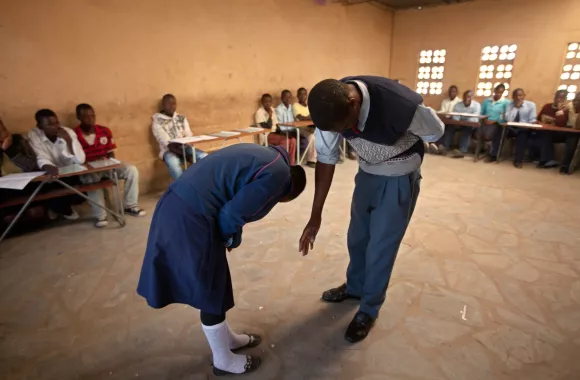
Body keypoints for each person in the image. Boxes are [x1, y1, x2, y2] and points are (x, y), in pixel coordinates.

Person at [137, 144, 307, 376]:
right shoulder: (278, 178)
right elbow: (233, 214)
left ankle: (227, 339)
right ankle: (223, 360)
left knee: (216, 282)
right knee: (212, 290)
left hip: (180, 203)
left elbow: (234, 201)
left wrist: (229, 235)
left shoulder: (271, 157)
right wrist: (228, 239)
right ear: (287, 194)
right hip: (191, 215)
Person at [299, 76, 444, 343]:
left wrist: (403, 131)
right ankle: (354, 288)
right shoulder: (332, 108)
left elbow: (436, 131)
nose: (347, 132)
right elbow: (327, 159)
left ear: (354, 104)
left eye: (345, 126)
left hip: (399, 177)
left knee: (381, 246)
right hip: (367, 174)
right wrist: (315, 214)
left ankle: (368, 308)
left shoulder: (401, 106)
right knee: (358, 238)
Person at [74, 104, 146, 227]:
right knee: (92, 179)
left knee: (131, 170)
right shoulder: (74, 134)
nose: (90, 119)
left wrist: (111, 163)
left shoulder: (104, 131)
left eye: (92, 116)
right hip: (88, 169)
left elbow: (110, 152)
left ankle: (130, 205)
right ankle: (101, 216)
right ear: (78, 117)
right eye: (86, 117)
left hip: (106, 166)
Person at [27, 109, 90, 220]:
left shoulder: (68, 132)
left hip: (71, 174)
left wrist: (68, 140)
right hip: (52, 175)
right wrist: (48, 166)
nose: (55, 127)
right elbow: (41, 156)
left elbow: (81, 160)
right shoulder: (34, 135)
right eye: (49, 124)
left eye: (56, 123)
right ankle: (62, 209)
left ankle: (60, 209)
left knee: (81, 188)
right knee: (46, 187)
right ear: (40, 126)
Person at [152, 94, 208, 180]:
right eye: (169, 104)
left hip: (185, 148)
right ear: (163, 105)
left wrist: (188, 149)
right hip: (169, 151)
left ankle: (201, 182)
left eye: (174, 103)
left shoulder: (181, 118)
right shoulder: (157, 122)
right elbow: (169, 144)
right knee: (173, 162)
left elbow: (189, 135)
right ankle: (182, 186)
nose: (172, 106)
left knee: (204, 156)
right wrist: (188, 156)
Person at [488, 88, 538, 168]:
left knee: (522, 135)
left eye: (520, 95)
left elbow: (532, 120)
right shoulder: (510, 105)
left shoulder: (531, 105)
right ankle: (493, 155)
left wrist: (527, 124)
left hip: (524, 128)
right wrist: (516, 107)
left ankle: (518, 160)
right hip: (511, 127)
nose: (518, 98)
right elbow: (508, 119)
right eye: (516, 96)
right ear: (513, 97)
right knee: (499, 130)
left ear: (524, 96)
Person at [254, 93, 296, 165]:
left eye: (269, 102)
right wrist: (270, 116)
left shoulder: (273, 110)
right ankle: (281, 162)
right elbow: (267, 127)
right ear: (262, 102)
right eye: (265, 102)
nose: (268, 103)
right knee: (285, 141)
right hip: (266, 135)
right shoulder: (259, 112)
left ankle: (291, 163)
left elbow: (277, 125)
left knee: (293, 140)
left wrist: (285, 133)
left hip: (275, 134)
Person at [536, 90, 571, 169]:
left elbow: (561, 124)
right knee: (543, 134)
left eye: (562, 98)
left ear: (565, 99)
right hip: (547, 132)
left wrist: (559, 110)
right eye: (558, 97)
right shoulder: (547, 106)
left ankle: (545, 160)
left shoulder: (566, 110)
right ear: (554, 97)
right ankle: (548, 160)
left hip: (559, 133)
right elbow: (539, 118)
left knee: (546, 134)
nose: (559, 100)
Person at [441, 90, 481, 158]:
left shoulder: (476, 105)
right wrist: (458, 122)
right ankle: (445, 147)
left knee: (467, 130)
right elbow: (455, 116)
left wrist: (464, 122)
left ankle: (462, 150)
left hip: (470, 125)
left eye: (468, 97)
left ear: (472, 97)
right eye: (465, 97)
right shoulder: (458, 105)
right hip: (459, 123)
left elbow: (475, 118)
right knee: (450, 127)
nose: (466, 98)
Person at [482, 84, 510, 162]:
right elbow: (481, 112)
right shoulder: (487, 101)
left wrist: (495, 121)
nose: (498, 94)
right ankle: (487, 149)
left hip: (498, 124)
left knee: (492, 134)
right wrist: (484, 119)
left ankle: (493, 154)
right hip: (485, 122)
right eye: (497, 92)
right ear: (494, 91)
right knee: (477, 133)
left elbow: (506, 116)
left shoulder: (506, 102)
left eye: (501, 93)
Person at [292, 88, 317, 167]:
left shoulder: (309, 106)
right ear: (297, 96)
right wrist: (310, 116)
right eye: (300, 94)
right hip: (300, 128)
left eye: (304, 94)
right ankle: (311, 160)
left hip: (311, 127)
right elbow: (301, 118)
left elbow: (315, 116)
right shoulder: (295, 105)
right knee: (311, 137)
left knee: (325, 133)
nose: (302, 96)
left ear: (307, 96)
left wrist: (310, 117)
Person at [432, 85, 461, 154]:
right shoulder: (445, 101)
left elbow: (457, 114)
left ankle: (444, 147)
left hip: (454, 121)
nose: (452, 93)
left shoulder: (459, 102)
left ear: (456, 93)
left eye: (453, 91)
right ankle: (436, 145)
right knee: (438, 125)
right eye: (450, 91)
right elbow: (442, 111)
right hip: (445, 120)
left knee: (449, 128)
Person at [562, 92, 580, 174]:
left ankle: (571, 166)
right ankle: (565, 166)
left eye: (578, 100)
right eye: (575, 99)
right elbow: (561, 119)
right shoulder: (570, 106)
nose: (576, 102)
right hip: (572, 131)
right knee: (571, 140)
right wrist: (562, 112)